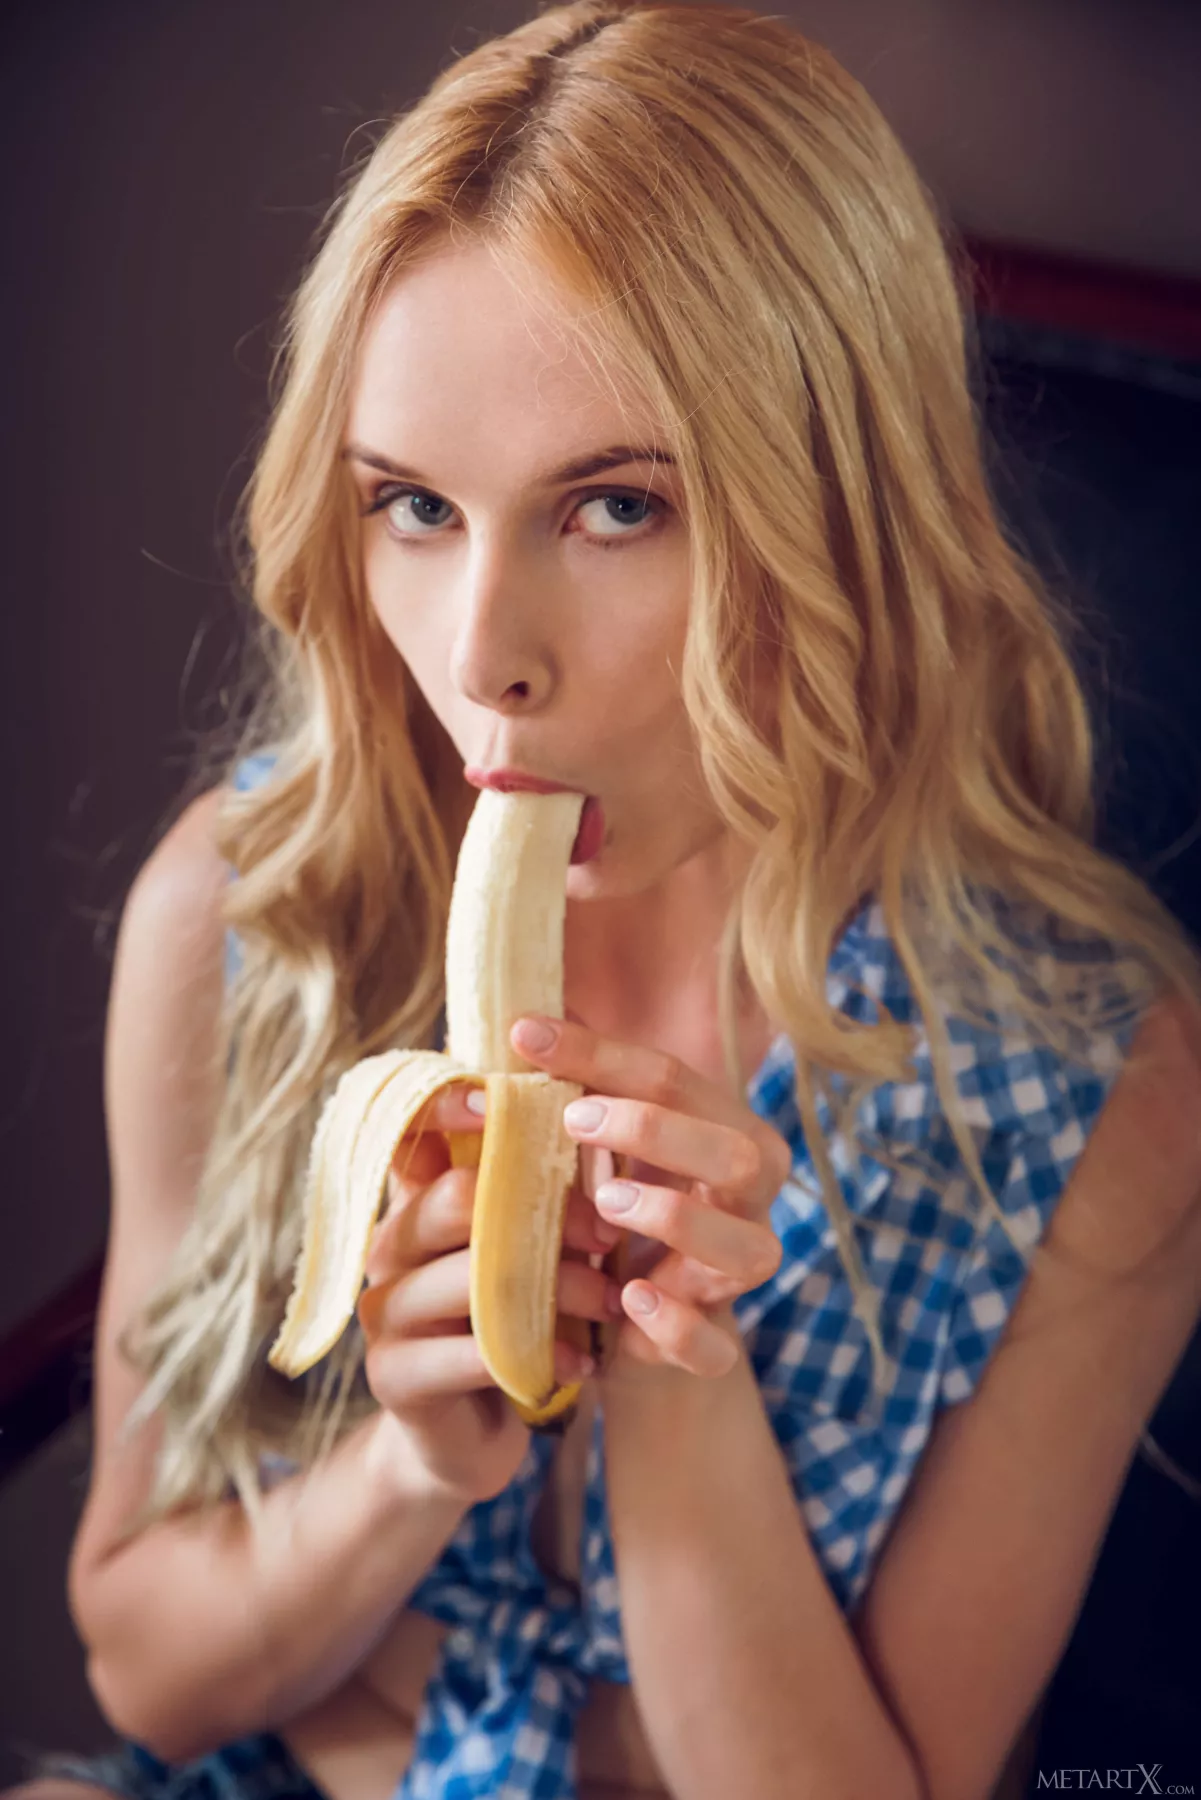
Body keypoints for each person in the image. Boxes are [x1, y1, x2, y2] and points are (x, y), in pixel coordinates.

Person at [13, 3, 1201, 1799]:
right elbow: (150, 1676)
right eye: (415, 506)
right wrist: (413, 1469)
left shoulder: (1095, 1089)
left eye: (616, 509)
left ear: (846, 519)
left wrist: (669, 1389)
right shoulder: (248, 916)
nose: (482, 657)